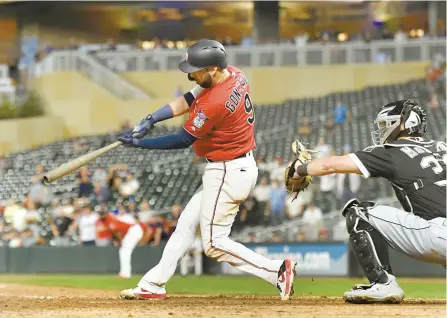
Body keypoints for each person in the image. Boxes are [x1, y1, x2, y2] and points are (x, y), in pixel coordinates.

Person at [118, 39, 295, 301]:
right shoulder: (233, 74)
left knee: (213, 244)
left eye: (196, 69)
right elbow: (189, 98)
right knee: (186, 226)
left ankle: (276, 270)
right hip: (232, 167)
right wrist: (152, 118)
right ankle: (153, 284)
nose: (191, 74)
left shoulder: (217, 101)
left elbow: (183, 140)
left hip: (228, 171)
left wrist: (141, 144)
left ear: (212, 68)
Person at [289, 99, 446, 304]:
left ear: (401, 124)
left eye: (384, 125)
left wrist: (298, 169)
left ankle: (383, 283)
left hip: (439, 234)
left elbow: (330, 165)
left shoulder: (392, 151)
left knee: (359, 212)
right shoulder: (442, 146)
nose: (381, 131)